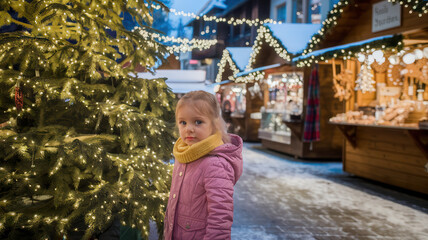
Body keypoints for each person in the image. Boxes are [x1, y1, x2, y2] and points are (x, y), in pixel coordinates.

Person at [163, 90, 243, 240]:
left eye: (198, 122)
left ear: (214, 125)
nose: (189, 129)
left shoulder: (215, 165)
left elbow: (220, 218)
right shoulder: (184, 154)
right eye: (183, 122)